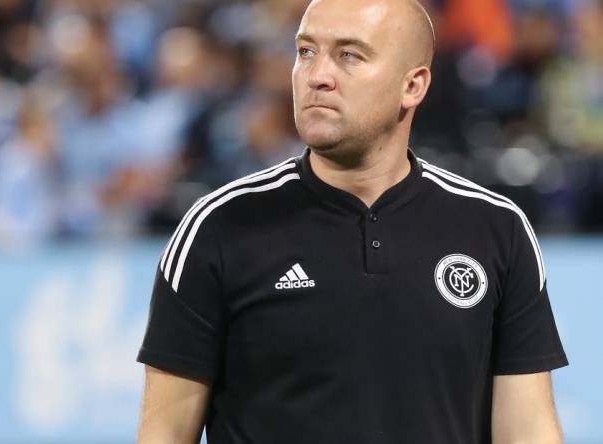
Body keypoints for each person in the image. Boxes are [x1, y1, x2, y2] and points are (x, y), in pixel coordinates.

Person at [136, 0, 569, 442]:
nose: (317, 75)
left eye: (349, 55)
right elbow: (164, 433)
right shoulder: (217, 227)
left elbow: (529, 429)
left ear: (413, 86)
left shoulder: (495, 228)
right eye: (306, 51)